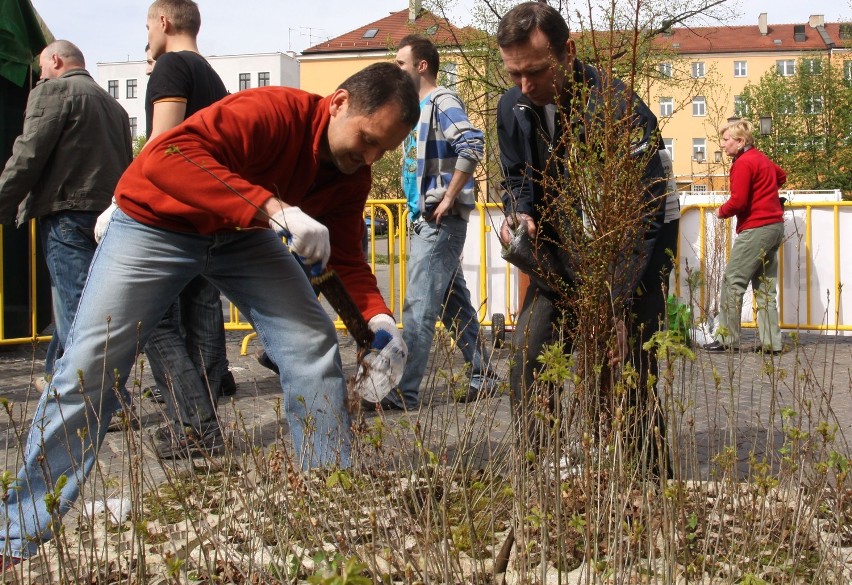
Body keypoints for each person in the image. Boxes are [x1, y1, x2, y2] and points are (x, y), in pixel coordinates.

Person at [0, 61, 416, 566]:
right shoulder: (270, 111)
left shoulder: (353, 173)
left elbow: (345, 256)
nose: (369, 157)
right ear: (340, 102)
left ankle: (327, 497)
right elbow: (166, 156)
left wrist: (379, 319)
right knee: (90, 366)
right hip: (156, 222)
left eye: (382, 151)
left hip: (241, 235)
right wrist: (274, 208)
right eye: (367, 140)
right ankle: (15, 536)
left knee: (312, 343)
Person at [495, 2, 673, 477]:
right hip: (560, 251)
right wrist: (521, 212)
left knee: (626, 366)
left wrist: (617, 304)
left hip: (637, 250)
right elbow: (515, 177)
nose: (526, 86)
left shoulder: (620, 111)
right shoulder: (511, 106)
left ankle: (648, 480)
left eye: (535, 71)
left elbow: (645, 216)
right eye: (514, 74)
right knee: (530, 356)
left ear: (568, 52)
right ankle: (542, 475)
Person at [96, 0, 235, 459]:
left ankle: (193, 428)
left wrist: (120, 201)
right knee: (202, 315)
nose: (147, 36)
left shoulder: (172, 67)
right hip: (204, 214)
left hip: (169, 216)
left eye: (147, 25)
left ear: (163, 21)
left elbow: (161, 144)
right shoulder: (211, 77)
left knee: (150, 320)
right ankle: (200, 421)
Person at [370, 33, 493, 411]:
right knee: (452, 304)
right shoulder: (418, 107)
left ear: (422, 66)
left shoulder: (442, 101)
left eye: (401, 63)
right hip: (426, 221)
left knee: (418, 309)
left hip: (438, 221)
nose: (396, 69)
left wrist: (451, 195)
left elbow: (472, 141)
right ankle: (484, 373)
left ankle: (402, 392)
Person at [0, 40, 132, 387]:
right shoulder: (114, 106)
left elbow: (28, 155)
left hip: (65, 212)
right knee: (80, 302)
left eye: (42, 68)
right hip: (107, 218)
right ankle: (55, 375)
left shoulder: (53, 91)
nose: (40, 75)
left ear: (55, 60)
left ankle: (109, 400)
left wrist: (3, 202)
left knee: (79, 310)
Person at [703, 119, 786, 354]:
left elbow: (738, 201)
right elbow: (781, 176)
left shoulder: (742, 163)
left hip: (756, 228)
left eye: (726, 140)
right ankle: (772, 344)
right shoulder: (761, 158)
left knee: (733, 282)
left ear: (740, 142)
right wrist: (765, 192)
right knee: (765, 288)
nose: (722, 144)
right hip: (775, 226)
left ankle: (728, 340)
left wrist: (721, 212)